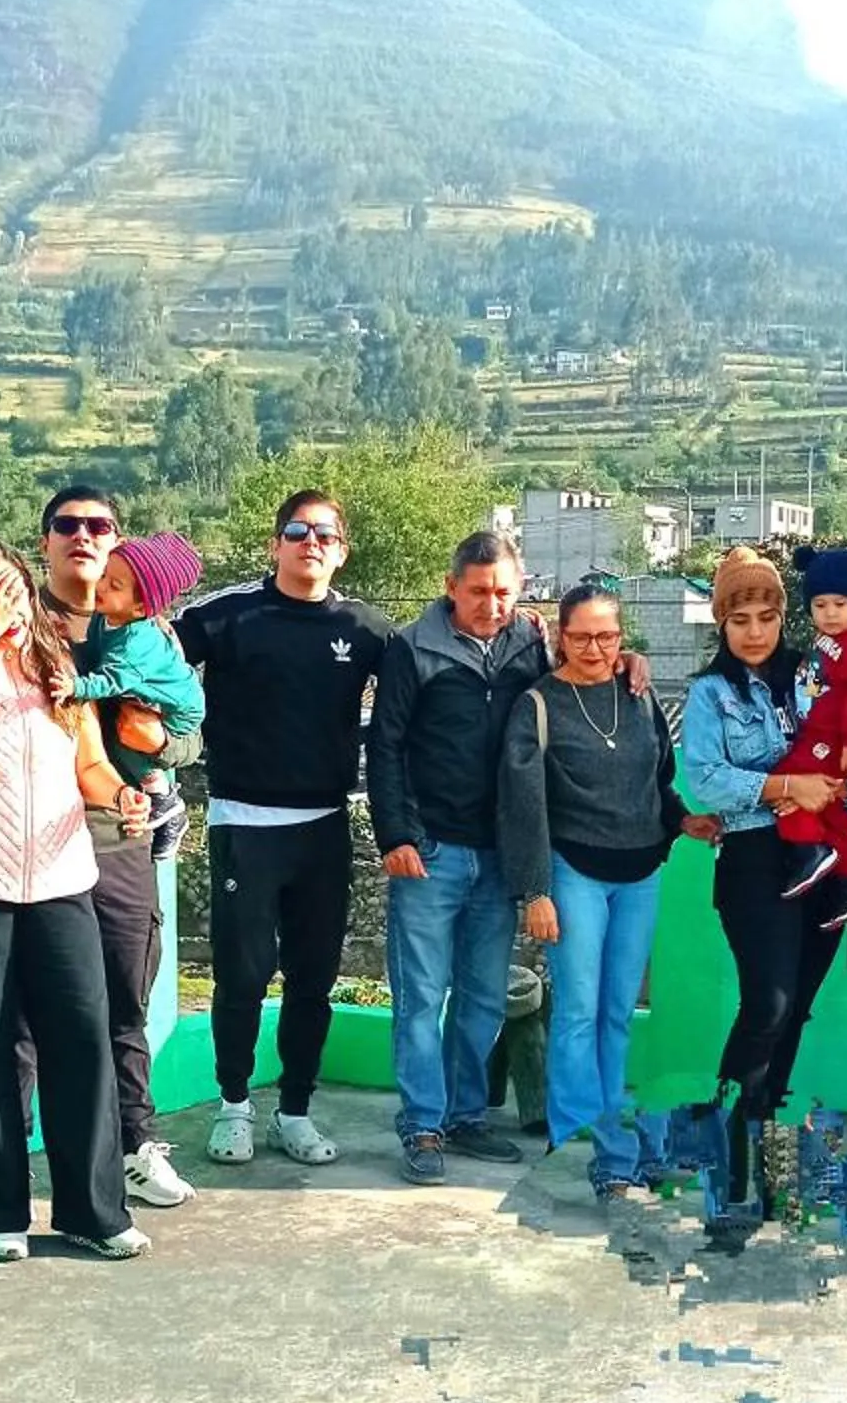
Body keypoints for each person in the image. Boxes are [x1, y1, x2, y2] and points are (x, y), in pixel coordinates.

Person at [0, 485, 194, 1209]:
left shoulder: (149, 630)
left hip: (106, 847)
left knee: (115, 1011)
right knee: (17, 1032)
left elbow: (183, 728)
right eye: (68, 524)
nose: (84, 536)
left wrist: (159, 751)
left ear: (117, 539)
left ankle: (131, 1153)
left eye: (99, 526)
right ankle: (11, 1175)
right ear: (46, 545)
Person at [174, 490, 391, 1166]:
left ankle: (294, 1111)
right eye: (297, 530)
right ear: (276, 544)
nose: (311, 542)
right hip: (245, 823)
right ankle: (234, 1108)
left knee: (312, 978)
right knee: (241, 975)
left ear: (341, 549)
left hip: (324, 827)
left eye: (325, 533)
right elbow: (145, 659)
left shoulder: (366, 628)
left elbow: (433, 687)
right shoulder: (228, 615)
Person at [497, 585, 718, 1199]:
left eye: (608, 636)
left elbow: (656, 782)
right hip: (575, 874)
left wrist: (684, 821)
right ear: (558, 637)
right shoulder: (538, 705)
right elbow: (524, 807)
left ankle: (608, 1136)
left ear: (624, 640)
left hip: (642, 873)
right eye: (581, 636)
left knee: (617, 1013)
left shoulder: (639, 696)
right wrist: (535, 892)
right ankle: (594, 1148)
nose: (595, 648)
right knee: (577, 1011)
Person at [367, 531, 548, 1183]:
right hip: (431, 852)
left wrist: (631, 666)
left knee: (483, 1000)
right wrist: (396, 836)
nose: (491, 604)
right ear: (452, 588)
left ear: (519, 588)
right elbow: (384, 747)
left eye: (503, 591)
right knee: (421, 998)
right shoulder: (411, 649)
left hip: (501, 854)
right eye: (478, 592)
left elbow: (582, 687)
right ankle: (422, 1127)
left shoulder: (532, 645)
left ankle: (466, 1117)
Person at [680, 545, 847, 1199]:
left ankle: (764, 1125)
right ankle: (730, 1128)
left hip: (825, 854)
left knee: (797, 1006)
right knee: (769, 1000)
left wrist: (819, 783)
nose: (755, 631)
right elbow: (706, 779)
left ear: (784, 618)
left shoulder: (813, 677)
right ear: (721, 623)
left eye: (767, 616)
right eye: (740, 618)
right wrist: (788, 785)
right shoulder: (708, 693)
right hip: (754, 857)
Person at [766, 540, 847, 927]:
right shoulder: (827, 643)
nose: (830, 613)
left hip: (833, 742)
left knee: (788, 785)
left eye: (840, 604)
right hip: (819, 735)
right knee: (833, 815)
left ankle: (809, 851)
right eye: (820, 606)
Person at [67, 530, 205, 860]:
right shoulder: (109, 617)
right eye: (104, 577)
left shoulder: (138, 642)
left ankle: (163, 799)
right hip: (147, 698)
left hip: (176, 710)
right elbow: (99, 652)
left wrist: (76, 687)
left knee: (126, 737)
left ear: (143, 606)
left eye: (114, 585)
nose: (100, 587)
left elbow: (111, 678)